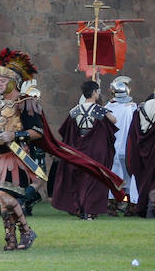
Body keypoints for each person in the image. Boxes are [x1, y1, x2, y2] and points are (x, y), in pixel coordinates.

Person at [0, 49, 43, 249]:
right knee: (3, 202)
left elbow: (38, 132)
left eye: (4, 80)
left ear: (14, 81)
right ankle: (11, 239)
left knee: (7, 197)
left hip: (17, 157)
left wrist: (14, 135)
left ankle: (26, 231)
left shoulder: (27, 103)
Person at [49, 80, 117, 220]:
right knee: (95, 179)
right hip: (95, 148)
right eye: (97, 91)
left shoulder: (75, 110)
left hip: (78, 148)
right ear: (93, 92)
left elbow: (66, 130)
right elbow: (113, 120)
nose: (98, 93)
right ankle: (90, 210)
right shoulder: (100, 110)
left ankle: (80, 208)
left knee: (80, 179)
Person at [127, 65, 155, 217]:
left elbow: (133, 132)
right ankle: (153, 206)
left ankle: (151, 206)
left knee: (147, 177)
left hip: (141, 149)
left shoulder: (141, 107)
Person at [106, 76, 137, 210]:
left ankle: (112, 206)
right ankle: (130, 207)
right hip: (127, 147)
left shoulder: (107, 107)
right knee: (129, 177)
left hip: (112, 148)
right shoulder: (132, 108)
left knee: (113, 176)